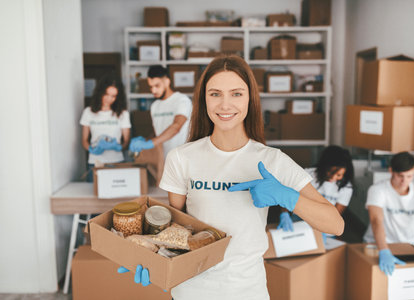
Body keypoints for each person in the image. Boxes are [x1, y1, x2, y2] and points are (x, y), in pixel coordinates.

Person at [119, 55, 344, 299]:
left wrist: (286, 196)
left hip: (247, 291)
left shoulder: (271, 160)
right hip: (189, 291)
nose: (225, 105)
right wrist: (151, 258)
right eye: (215, 94)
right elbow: (175, 229)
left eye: (236, 93)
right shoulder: (182, 157)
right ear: (204, 100)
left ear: (250, 99)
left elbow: (335, 225)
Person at [363, 152, 414, 275]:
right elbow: (376, 220)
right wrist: (384, 250)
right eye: (400, 176)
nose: (404, 181)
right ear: (391, 170)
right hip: (377, 246)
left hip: (407, 246)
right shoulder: (378, 190)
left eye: (409, 176)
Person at [278, 145, 354, 232]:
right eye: (330, 172)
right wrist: (284, 213)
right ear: (324, 166)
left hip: (325, 224)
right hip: (299, 220)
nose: (333, 177)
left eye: (339, 175)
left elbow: (335, 216)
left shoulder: (346, 187)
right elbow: (288, 194)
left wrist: (323, 228)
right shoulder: (307, 174)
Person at [129, 65, 192, 157]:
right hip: (164, 159)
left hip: (182, 158)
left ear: (167, 82)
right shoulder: (155, 106)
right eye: (150, 86)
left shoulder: (182, 100)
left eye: (157, 85)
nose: (153, 90)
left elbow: (176, 127)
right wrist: (145, 141)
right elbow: (158, 133)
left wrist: (151, 143)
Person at [80, 73, 131, 182]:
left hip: (116, 162)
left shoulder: (122, 114)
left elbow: (126, 141)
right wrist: (91, 149)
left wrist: (119, 147)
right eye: (106, 94)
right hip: (95, 163)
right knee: (94, 196)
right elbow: (84, 140)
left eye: (113, 96)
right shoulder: (88, 112)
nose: (109, 99)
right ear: (100, 92)